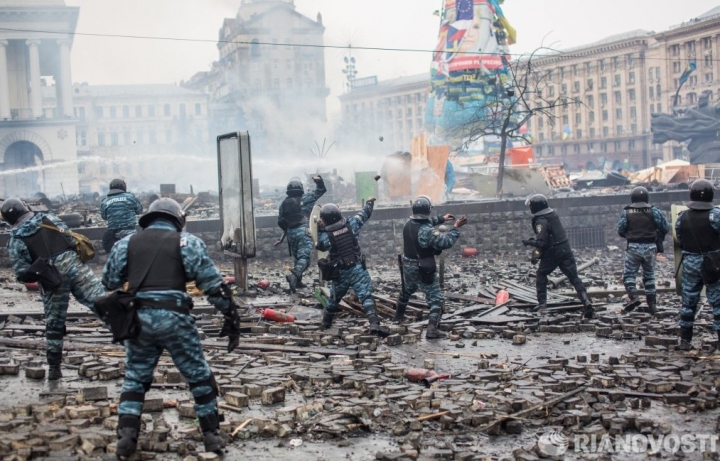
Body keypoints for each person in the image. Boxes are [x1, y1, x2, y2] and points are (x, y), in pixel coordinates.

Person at [102, 198, 240, 457]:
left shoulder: (126, 243)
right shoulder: (187, 242)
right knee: (199, 376)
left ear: (148, 219)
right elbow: (213, 286)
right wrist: (231, 318)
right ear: (178, 219)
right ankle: (211, 437)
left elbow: (110, 281)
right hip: (176, 318)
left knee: (135, 378)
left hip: (138, 320)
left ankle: (126, 439)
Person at [2, 198, 106, 380]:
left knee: (55, 324)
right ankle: (136, 339)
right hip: (75, 268)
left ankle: (54, 369)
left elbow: (22, 273)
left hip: (52, 278)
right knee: (103, 303)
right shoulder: (50, 219)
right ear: (26, 208)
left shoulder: (16, 239)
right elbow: (71, 239)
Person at [395, 196, 466, 339]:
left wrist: (441, 219)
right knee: (437, 299)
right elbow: (445, 242)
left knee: (406, 291)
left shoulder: (408, 223)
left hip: (407, 266)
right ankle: (432, 329)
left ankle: (398, 317)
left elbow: (424, 224)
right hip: (421, 269)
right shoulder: (427, 231)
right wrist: (456, 228)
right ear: (428, 210)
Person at [316, 199, 389, 337]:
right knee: (366, 297)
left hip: (340, 272)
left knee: (333, 299)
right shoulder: (352, 224)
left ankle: (325, 324)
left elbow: (320, 245)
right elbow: (364, 214)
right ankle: (374, 325)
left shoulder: (327, 236)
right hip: (357, 268)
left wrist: (320, 229)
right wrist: (369, 203)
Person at [522, 194, 594, 319]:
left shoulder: (541, 221)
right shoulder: (553, 214)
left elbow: (542, 243)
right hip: (565, 248)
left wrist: (529, 242)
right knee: (574, 277)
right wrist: (536, 254)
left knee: (541, 274)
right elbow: (548, 238)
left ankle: (542, 304)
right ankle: (586, 301)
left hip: (553, 251)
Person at [675, 179, 720, 351]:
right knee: (717, 302)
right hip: (712, 263)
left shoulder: (682, 216)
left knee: (688, 302)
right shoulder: (715, 215)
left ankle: (685, 341)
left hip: (690, 262)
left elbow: (680, 240)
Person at [616, 186, 670, 315]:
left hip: (633, 247)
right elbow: (665, 227)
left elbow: (620, 230)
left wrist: (630, 236)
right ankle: (652, 305)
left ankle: (634, 297)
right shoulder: (654, 211)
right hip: (650, 248)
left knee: (629, 276)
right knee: (649, 277)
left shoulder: (627, 212)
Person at [277, 176, 326, 292]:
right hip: (303, 230)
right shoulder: (306, 198)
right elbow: (321, 191)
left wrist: (288, 230)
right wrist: (319, 182)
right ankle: (294, 276)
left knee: (297, 257)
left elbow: (280, 221)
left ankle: (297, 282)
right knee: (304, 258)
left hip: (290, 233)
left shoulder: (284, 203)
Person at [100, 178, 143, 253]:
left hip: (113, 236)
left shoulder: (105, 201)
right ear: (123, 187)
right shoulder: (130, 197)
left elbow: (104, 217)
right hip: (130, 234)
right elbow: (139, 211)